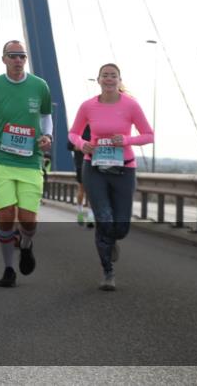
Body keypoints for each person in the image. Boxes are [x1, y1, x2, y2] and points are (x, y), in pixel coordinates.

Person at [0, 41, 53, 287]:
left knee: (28, 220)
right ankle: (8, 269)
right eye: (13, 56)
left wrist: (48, 136)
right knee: (6, 216)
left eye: (22, 56)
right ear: (4, 59)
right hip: (0, 161)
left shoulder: (40, 86)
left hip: (30, 162)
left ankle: (26, 245)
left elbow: (46, 116)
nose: (18, 60)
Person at [68, 64, 153, 291]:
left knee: (121, 227)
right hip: (94, 168)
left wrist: (126, 140)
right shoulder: (88, 106)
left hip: (124, 168)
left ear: (119, 79)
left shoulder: (131, 105)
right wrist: (82, 143)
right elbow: (73, 132)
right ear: (98, 80)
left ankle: (113, 239)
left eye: (113, 75)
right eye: (105, 75)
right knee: (104, 219)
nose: (109, 79)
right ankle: (108, 271)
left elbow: (148, 135)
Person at [69, 125, 93, 226]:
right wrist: (84, 146)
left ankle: (91, 217)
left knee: (92, 191)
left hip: (94, 163)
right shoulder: (78, 128)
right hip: (81, 164)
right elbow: (69, 146)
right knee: (82, 190)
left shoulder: (96, 127)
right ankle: (80, 213)